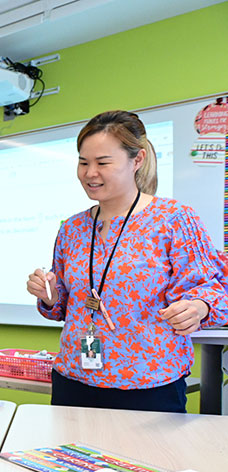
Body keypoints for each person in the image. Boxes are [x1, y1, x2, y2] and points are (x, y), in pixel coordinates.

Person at [26, 110, 228, 412]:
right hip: (73, 381)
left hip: (149, 387)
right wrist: (49, 294)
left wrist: (199, 307)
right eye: (83, 163)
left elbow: (213, 291)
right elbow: (64, 306)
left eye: (103, 163)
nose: (90, 173)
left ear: (137, 160)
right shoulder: (72, 228)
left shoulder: (173, 219)